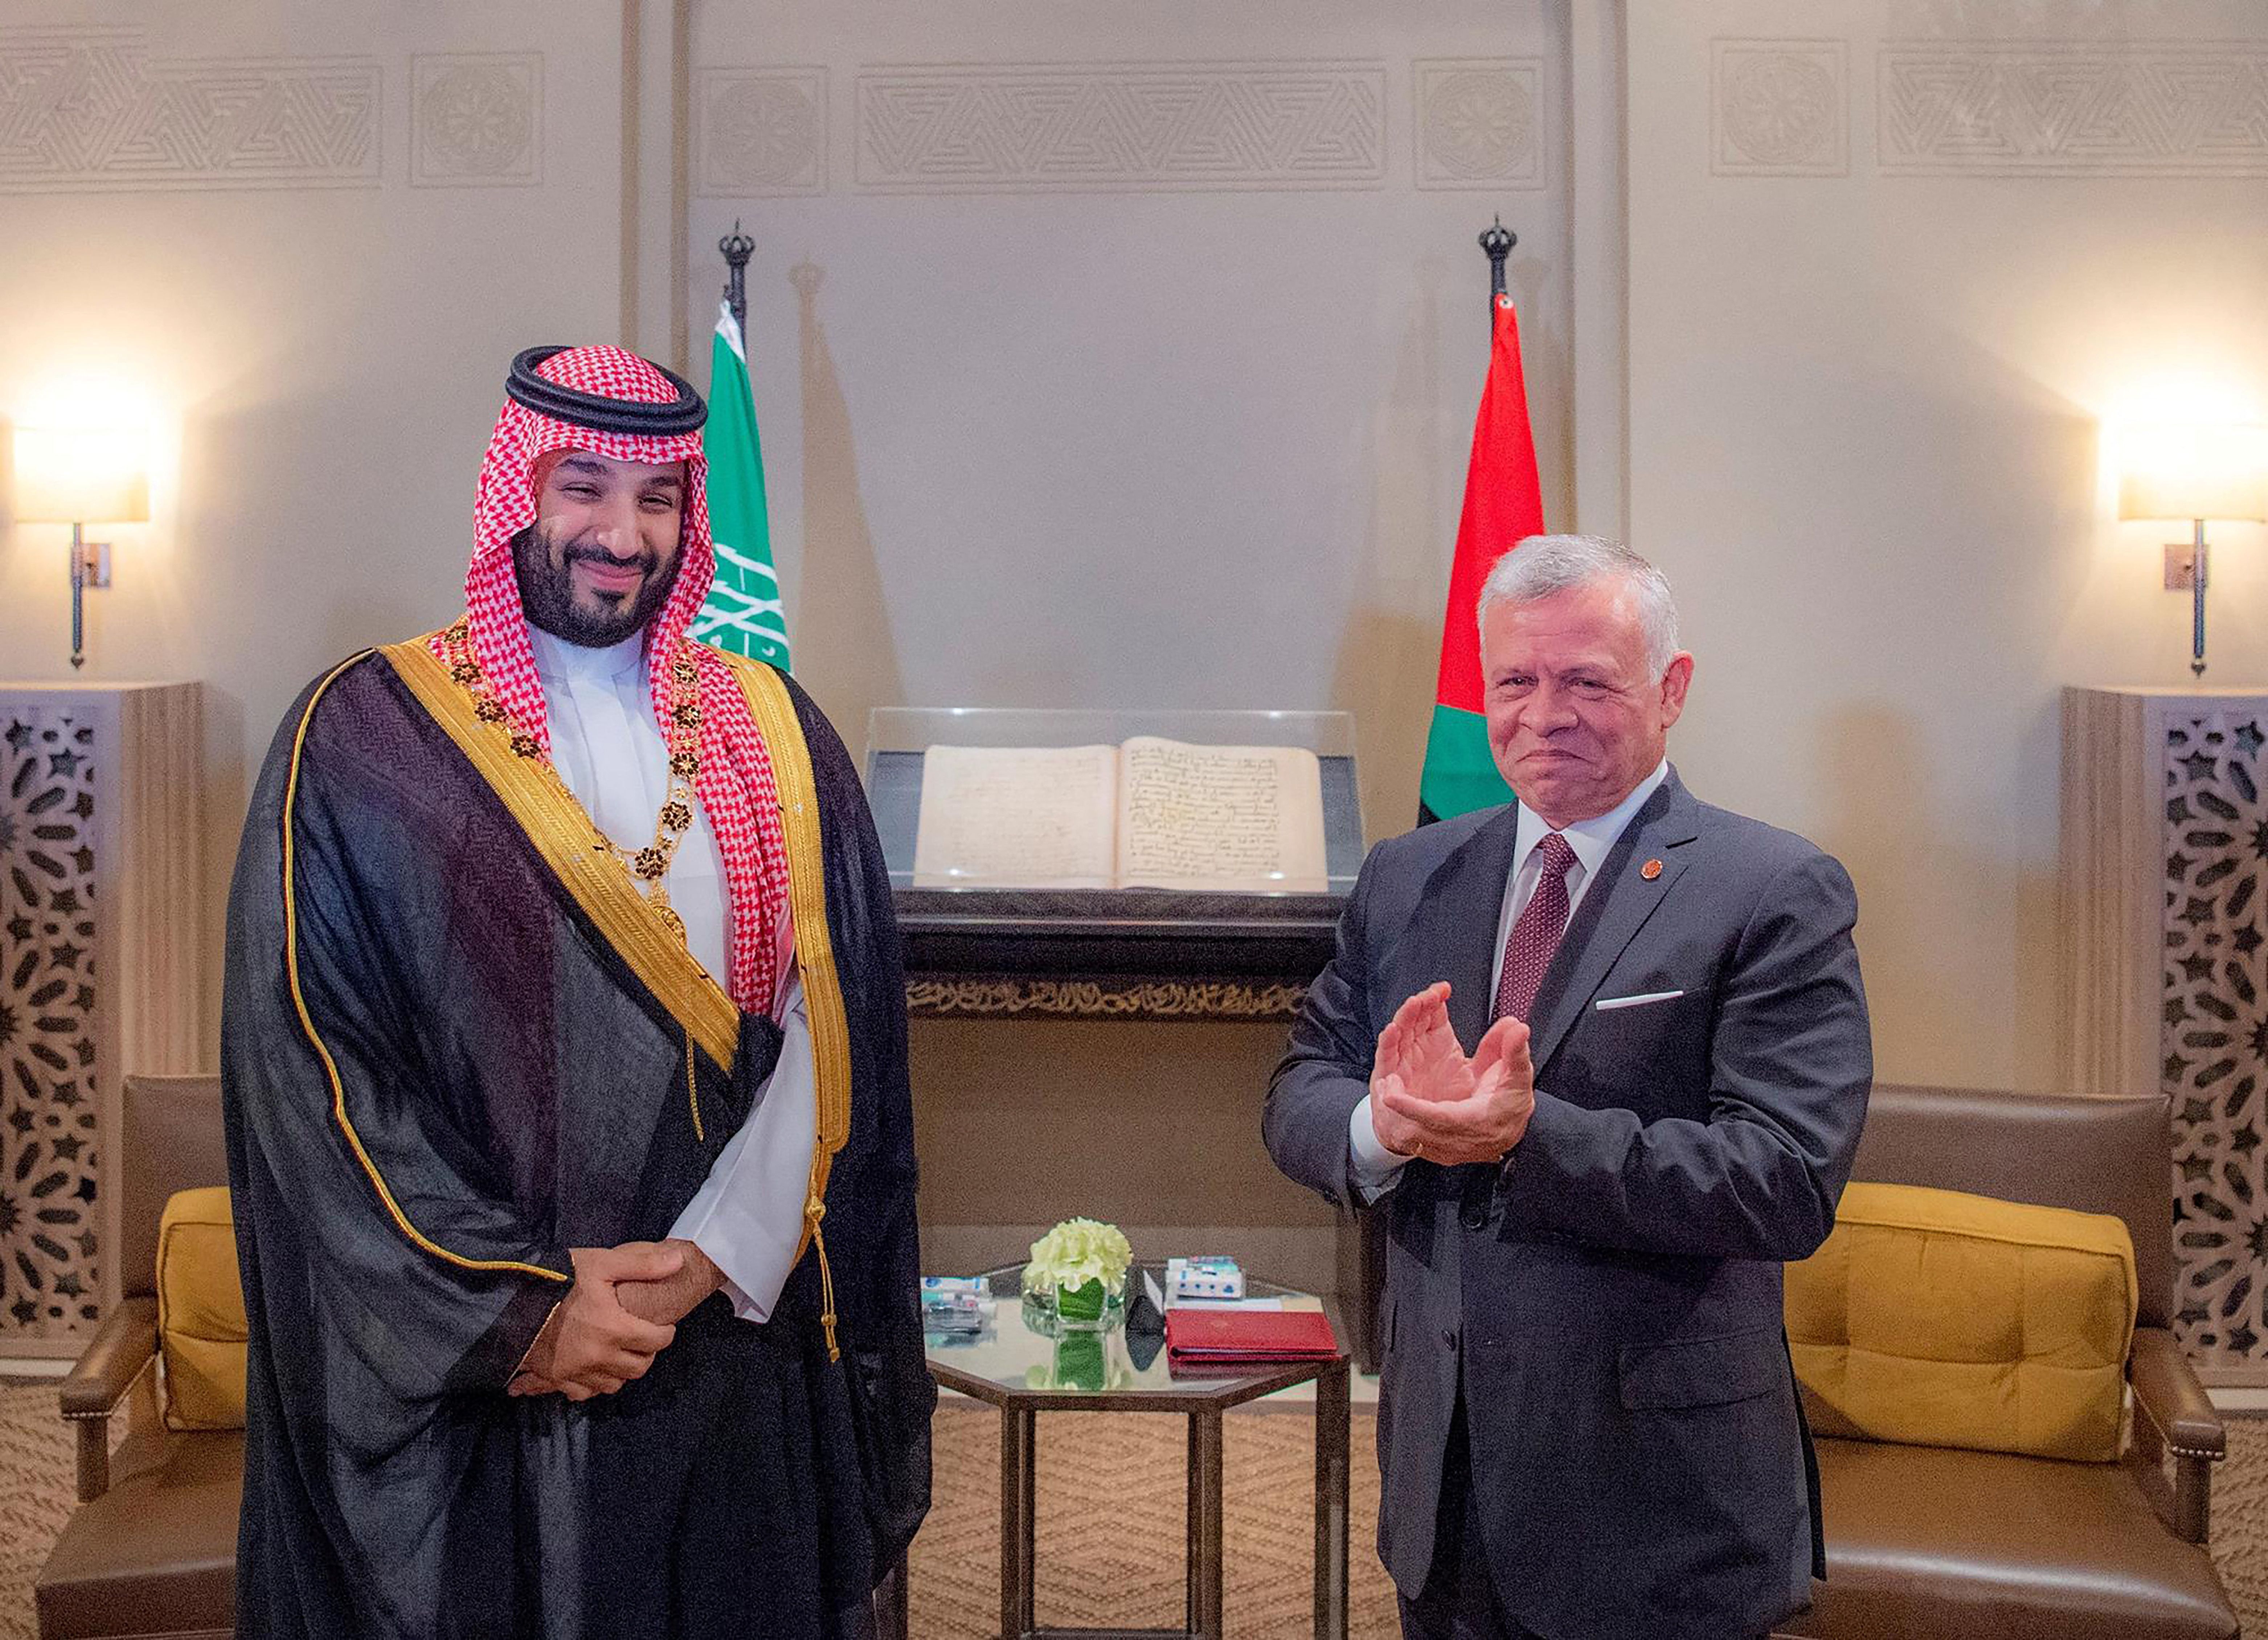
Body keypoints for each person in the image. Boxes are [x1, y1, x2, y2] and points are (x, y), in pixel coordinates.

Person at [222, 344, 933, 1639]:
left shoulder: (775, 727)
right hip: (489, 1372)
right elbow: (316, 1067)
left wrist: (714, 1257)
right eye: (585, 487)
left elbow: (837, 1027)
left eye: (658, 497)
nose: (621, 533)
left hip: (726, 1338)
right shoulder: (371, 738)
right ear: (516, 494)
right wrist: (517, 1307)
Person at [1263, 533, 1871, 1640]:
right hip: (1440, 1477)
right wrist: (1380, 1123)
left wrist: (1524, 1134)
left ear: (1669, 689)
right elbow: (1303, 1081)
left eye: (1587, 680)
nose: (1544, 714)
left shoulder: (1771, 887)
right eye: (1515, 681)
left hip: (1653, 1496)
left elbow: (1783, 1182)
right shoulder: (1409, 874)